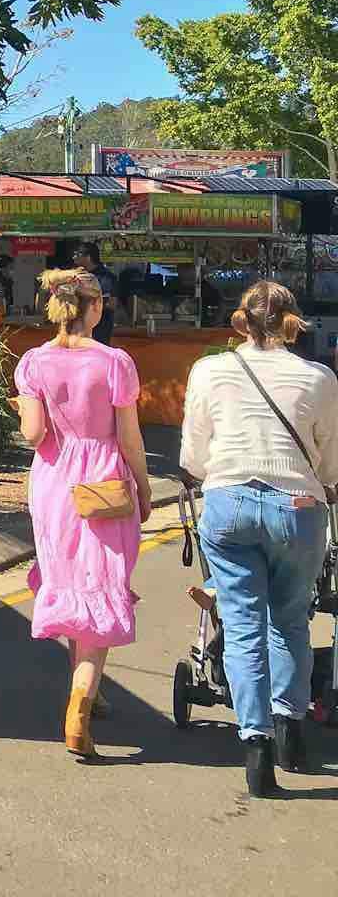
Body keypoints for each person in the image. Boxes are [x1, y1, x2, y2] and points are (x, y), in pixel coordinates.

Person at [179, 280, 338, 794]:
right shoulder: (319, 378)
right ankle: (291, 727)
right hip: (297, 507)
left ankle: (256, 747)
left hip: (228, 504)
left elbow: (193, 456)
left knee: (243, 624)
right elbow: (331, 460)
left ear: (240, 323)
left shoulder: (209, 370)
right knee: (290, 620)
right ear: (294, 323)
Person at [13, 267, 152, 761]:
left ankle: (88, 683)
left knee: (69, 580)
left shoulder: (33, 363)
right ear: (93, 308)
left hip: (54, 482)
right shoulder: (115, 363)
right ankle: (81, 703)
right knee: (100, 583)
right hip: (103, 480)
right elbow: (130, 438)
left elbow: (32, 435)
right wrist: (143, 485)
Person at [74, 242, 118, 347]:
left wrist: (84, 297)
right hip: (78, 331)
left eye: (78, 254)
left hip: (99, 331)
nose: (74, 257)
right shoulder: (76, 275)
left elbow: (111, 304)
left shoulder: (106, 277)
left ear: (88, 257)